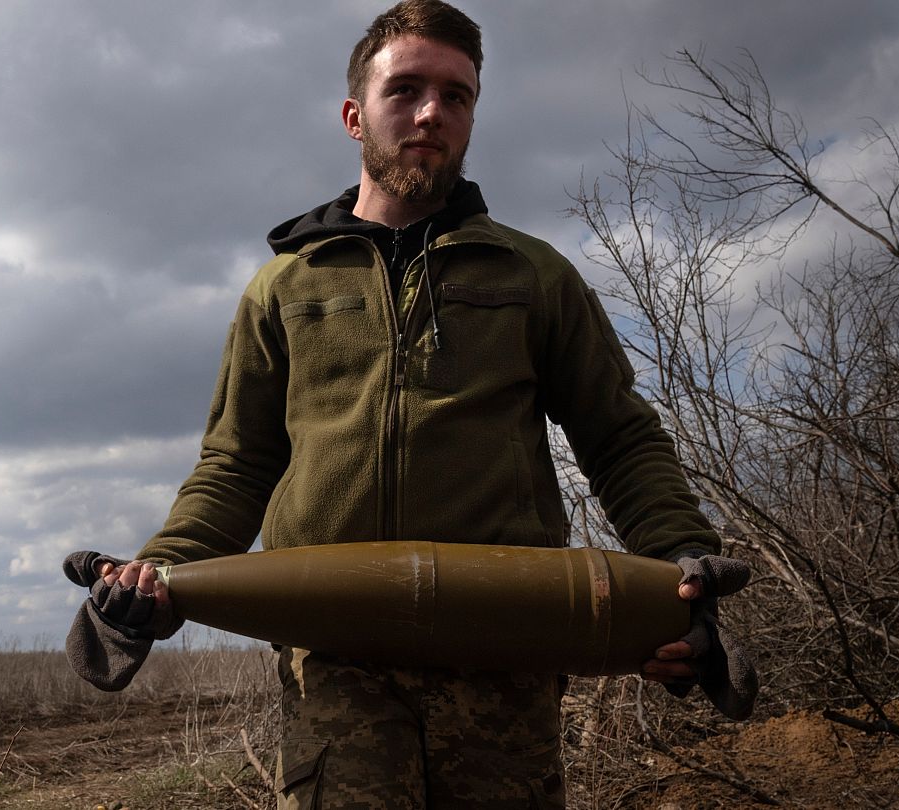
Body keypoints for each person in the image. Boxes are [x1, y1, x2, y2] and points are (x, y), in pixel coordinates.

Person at [65, 2, 758, 808]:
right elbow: (236, 462)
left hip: (505, 653)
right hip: (336, 664)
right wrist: (157, 572)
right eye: (407, 90)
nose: (433, 112)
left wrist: (680, 560)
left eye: (457, 96)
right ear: (355, 115)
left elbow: (620, 438)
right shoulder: (285, 288)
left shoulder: (532, 276)